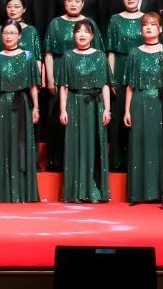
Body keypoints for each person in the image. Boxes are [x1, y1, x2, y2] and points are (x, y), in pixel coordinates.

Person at [43, 0, 105, 171]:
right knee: (58, 118)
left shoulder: (89, 23)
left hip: (85, 77)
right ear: (64, 3)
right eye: (70, 0)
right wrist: (50, 79)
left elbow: (99, 53)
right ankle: (56, 160)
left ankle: (82, 162)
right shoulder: (55, 23)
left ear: (83, 4)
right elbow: (48, 53)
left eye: (77, 1)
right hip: (61, 74)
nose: (73, 4)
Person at [123, 13, 163, 203]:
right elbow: (130, 86)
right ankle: (140, 193)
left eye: (153, 24)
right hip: (139, 102)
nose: (148, 27)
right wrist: (127, 110)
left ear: (160, 29)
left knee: (160, 144)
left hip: (161, 103)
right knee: (140, 144)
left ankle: (162, 192)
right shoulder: (134, 53)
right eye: (145, 25)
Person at [0, 20, 41, 203]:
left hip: (22, 103)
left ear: (19, 36)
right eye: (5, 33)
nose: (8, 36)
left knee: (21, 144)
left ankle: (23, 192)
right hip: (1, 104)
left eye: (12, 33)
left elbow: (33, 85)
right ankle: (1, 192)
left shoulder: (28, 56)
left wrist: (36, 107)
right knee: (1, 145)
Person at [58, 20, 112, 203]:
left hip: (95, 105)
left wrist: (107, 109)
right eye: (78, 31)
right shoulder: (67, 56)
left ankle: (94, 191)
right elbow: (63, 86)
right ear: (73, 35)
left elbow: (105, 85)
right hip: (74, 104)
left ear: (92, 36)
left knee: (94, 146)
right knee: (75, 146)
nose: (82, 35)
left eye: (86, 31)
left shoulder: (100, 56)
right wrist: (63, 109)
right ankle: (75, 192)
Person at [105, 0, 143, 172]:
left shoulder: (146, 19)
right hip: (119, 68)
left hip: (141, 68)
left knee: (138, 113)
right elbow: (111, 51)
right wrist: (111, 77)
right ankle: (117, 161)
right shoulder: (115, 19)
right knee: (119, 114)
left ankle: (136, 160)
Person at [0, 0, 41, 81]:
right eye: (9, 6)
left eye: (16, 6)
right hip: (2, 79)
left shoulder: (31, 31)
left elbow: (37, 59)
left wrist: (37, 80)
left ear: (24, 9)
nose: (12, 9)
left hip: (26, 80)